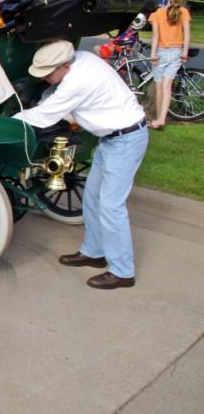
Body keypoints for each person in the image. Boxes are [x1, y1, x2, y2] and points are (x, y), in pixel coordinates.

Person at [13, 40, 148, 289]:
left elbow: (46, 115)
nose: (46, 79)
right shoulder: (81, 58)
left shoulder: (77, 82)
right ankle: (94, 252)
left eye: (48, 74)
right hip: (113, 139)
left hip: (125, 139)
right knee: (92, 198)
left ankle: (122, 271)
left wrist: (11, 121)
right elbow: (53, 97)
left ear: (64, 66)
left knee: (111, 206)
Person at [148, 0, 192, 129]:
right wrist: (184, 52)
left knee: (159, 87)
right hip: (176, 53)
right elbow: (187, 34)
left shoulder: (156, 14)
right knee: (167, 87)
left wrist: (153, 53)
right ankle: (161, 119)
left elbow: (155, 36)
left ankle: (159, 119)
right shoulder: (184, 12)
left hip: (160, 53)